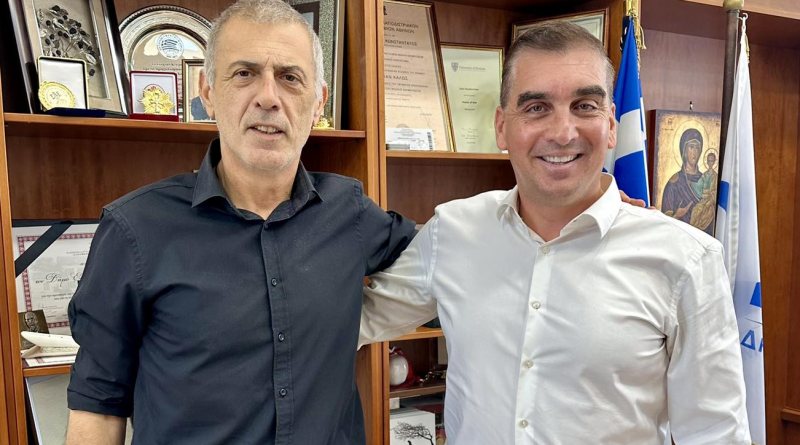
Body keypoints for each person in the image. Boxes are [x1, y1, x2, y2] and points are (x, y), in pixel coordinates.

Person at [360, 22, 751, 444]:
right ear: (501, 127)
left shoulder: (687, 260)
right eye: (536, 108)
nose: (563, 133)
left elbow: (716, 433)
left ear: (612, 125)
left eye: (585, 106)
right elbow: (345, 322)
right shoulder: (453, 232)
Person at [65, 1, 414, 444]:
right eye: (245, 73)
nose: (268, 97)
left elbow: (445, 260)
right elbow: (98, 405)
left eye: (290, 77)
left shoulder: (350, 212)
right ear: (208, 91)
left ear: (318, 103)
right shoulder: (135, 229)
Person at [660, 128, 711, 232]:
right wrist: (677, 215)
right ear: (684, 150)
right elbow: (664, 223)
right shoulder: (674, 183)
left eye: (697, 148)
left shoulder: (706, 180)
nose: (695, 152)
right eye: (691, 147)